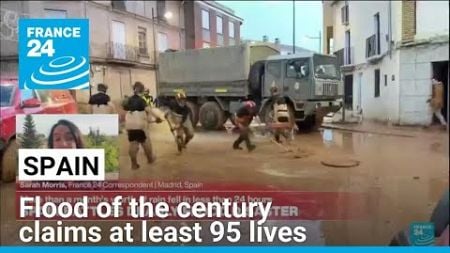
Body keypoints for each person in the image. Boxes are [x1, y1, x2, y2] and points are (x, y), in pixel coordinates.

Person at [124, 81, 163, 170]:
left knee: (133, 144)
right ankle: (150, 159)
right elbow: (149, 111)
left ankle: (134, 164)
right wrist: (158, 118)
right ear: (142, 90)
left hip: (129, 124)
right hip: (139, 125)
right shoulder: (141, 100)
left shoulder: (129, 100)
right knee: (146, 143)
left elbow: (126, 109)